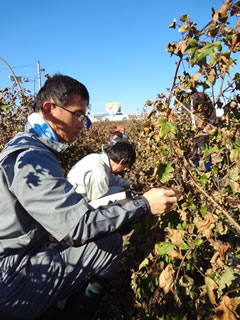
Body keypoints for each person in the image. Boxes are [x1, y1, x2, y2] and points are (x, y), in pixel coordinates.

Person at [0, 73, 177, 320]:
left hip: (18, 257)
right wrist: (144, 205)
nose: (82, 124)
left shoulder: (26, 146)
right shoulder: (32, 157)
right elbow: (78, 227)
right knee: (109, 244)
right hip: (9, 276)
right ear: (50, 109)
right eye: (78, 115)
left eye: (85, 117)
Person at [67, 140, 136, 202]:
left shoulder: (96, 157)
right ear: (122, 161)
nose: (125, 169)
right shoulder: (100, 175)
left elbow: (113, 179)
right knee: (120, 192)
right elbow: (95, 201)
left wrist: (130, 185)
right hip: (76, 203)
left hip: (69, 193)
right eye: (126, 166)